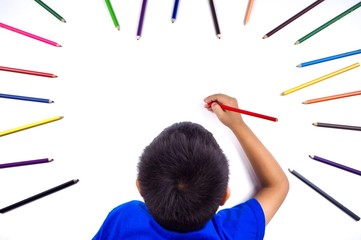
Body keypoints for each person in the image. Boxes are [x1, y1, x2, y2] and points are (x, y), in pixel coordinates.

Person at [93, 93, 289, 240]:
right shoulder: (230, 234)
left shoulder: (124, 219)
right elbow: (277, 185)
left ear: (139, 186)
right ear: (224, 196)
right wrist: (237, 124)